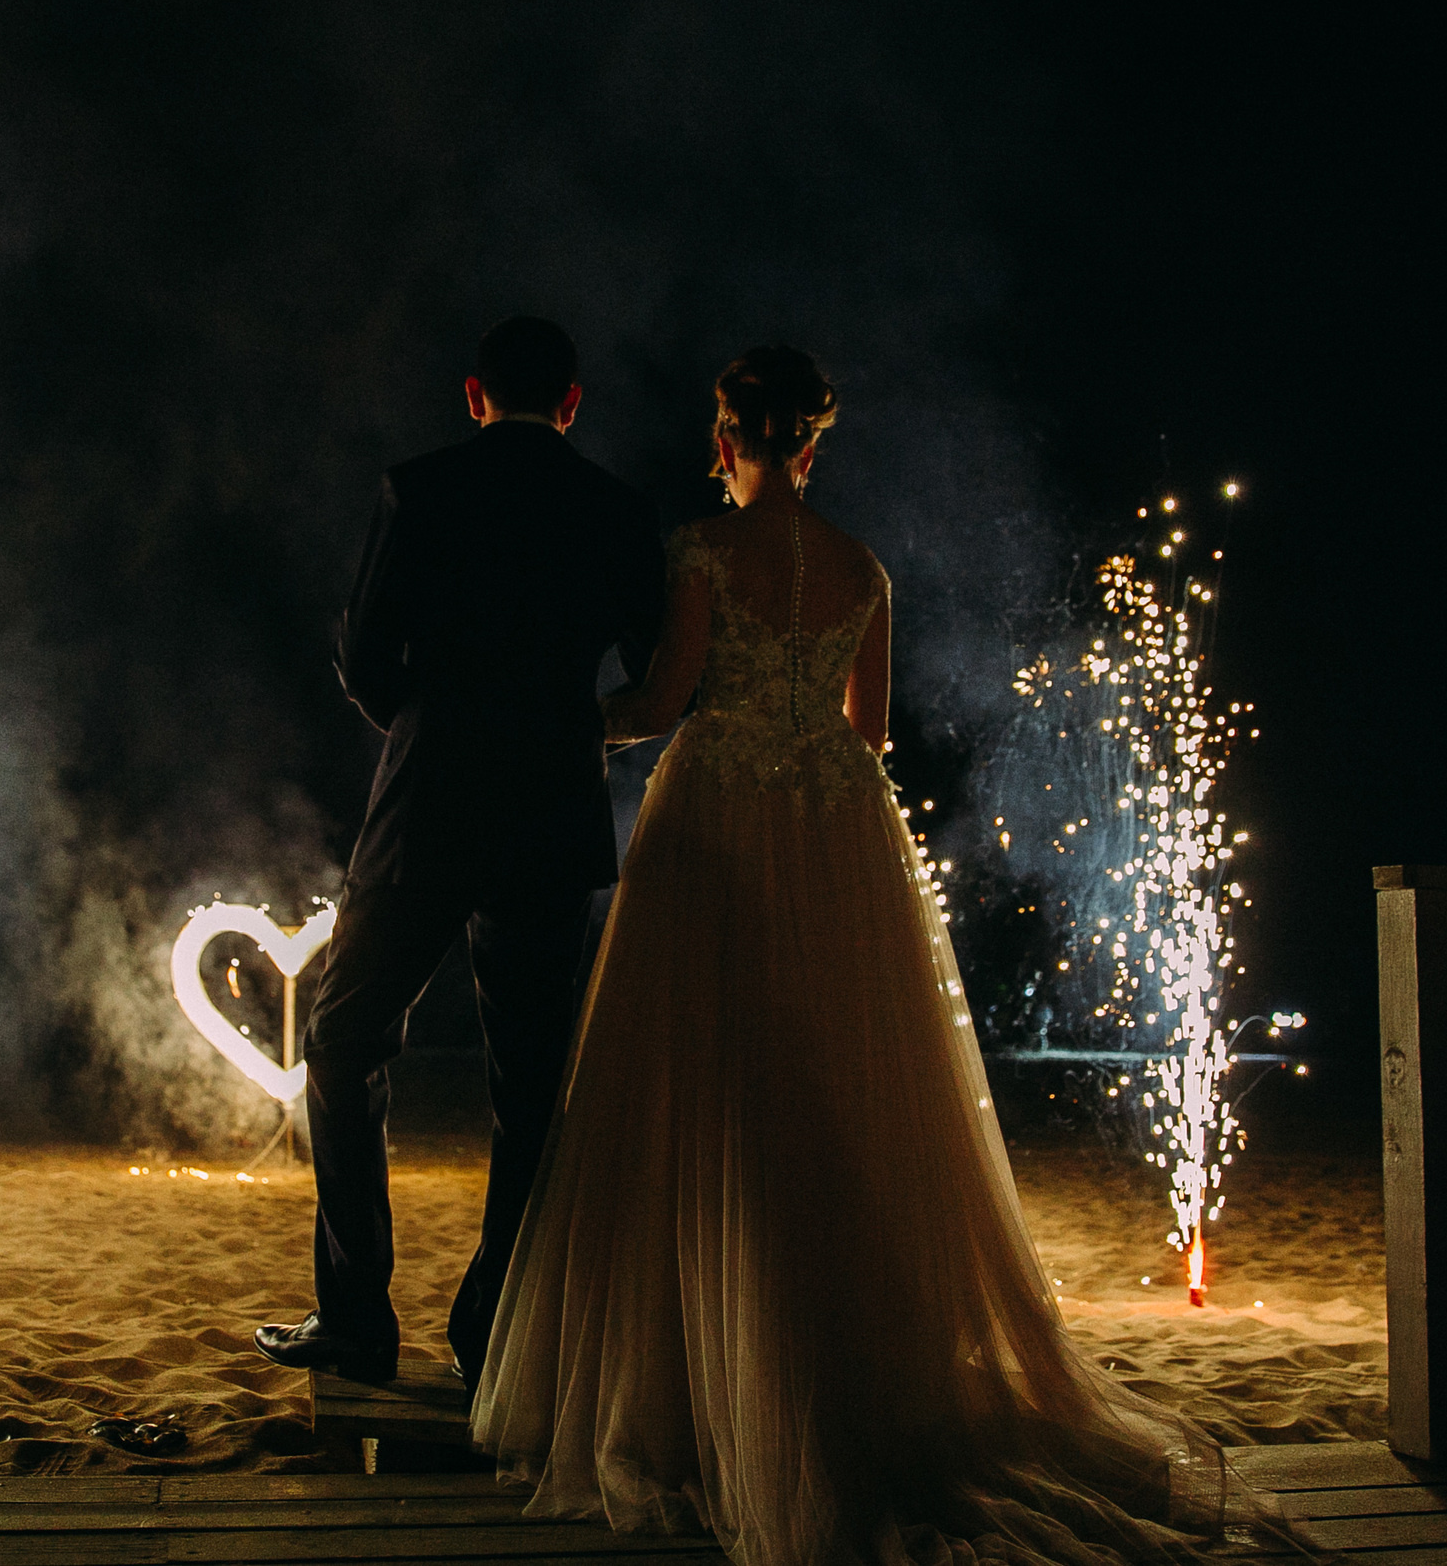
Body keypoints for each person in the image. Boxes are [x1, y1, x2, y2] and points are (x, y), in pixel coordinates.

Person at [472, 348, 1300, 1563]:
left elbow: (660, 701)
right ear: (810, 442)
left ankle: (701, 1389)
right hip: (839, 830)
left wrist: (562, 731)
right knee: (832, 1086)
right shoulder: (863, 567)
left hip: (717, 820)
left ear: (727, 433)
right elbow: (868, 728)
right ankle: (825, 1362)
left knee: (699, 1088)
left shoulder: (700, 550)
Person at [252, 316, 666, 1393]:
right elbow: (658, 673)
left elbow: (361, 658)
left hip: (426, 810)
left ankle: (356, 1320)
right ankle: (494, 1329)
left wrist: (432, 725)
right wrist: (576, 729)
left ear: (474, 394)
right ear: (573, 404)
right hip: (551, 820)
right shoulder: (616, 509)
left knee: (341, 1048)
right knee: (530, 1087)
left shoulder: (417, 487)